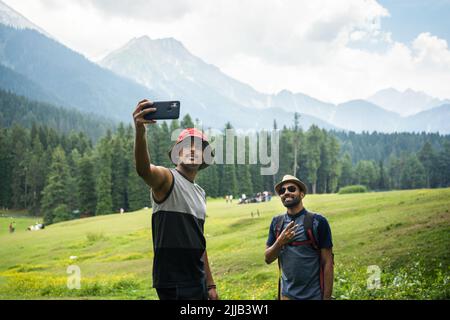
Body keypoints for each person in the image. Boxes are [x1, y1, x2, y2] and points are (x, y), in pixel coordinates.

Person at [133, 99, 218, 300]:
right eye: (186, 146)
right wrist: (140, 130)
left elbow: (200, 242)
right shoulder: (167, 179)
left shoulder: (200, 193)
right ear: (177, 153)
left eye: (198, 148)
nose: (192, 150)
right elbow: (144, 170)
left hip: (197, 279)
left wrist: (210, 283)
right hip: (174, 282)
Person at [265, 175, 334, 300]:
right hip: (286, 296)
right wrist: (280, 242)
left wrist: (326, 298)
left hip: (314, 296)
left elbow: (328, 263)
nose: (286, 192)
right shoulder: (276, 223)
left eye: (291, 189)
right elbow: (268, 258)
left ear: (302, 194)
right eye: (282, 190)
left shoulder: (318, 222)